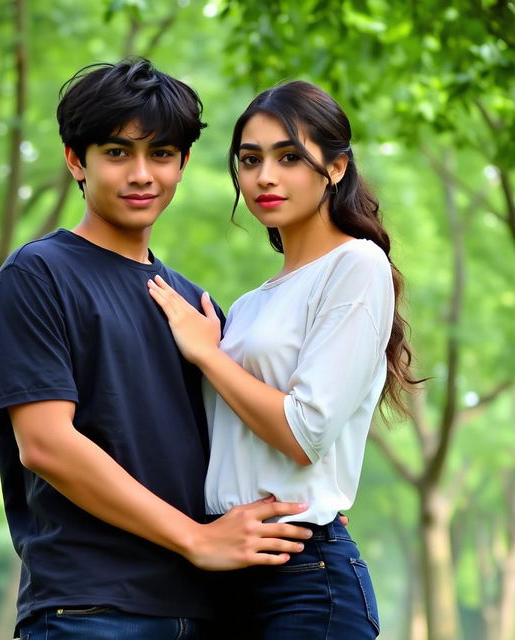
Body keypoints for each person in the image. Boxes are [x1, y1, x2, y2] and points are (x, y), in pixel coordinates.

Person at [0, 59, 316, 640]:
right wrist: (197, 539)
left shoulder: (194, 305)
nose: (142, 174)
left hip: (213, 611)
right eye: (117, 152)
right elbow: (45, 444)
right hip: (93, 610)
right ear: (74, 160)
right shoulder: (38, 275)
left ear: (183, 163)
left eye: (161, 154)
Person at [148, 80, 418, 639]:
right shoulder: (249, 306)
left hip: (304, 581)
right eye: (250, 160)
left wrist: (205, 353)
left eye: (289, 157)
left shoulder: (357, 265)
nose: (264, 177)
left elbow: (304, 432)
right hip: (226, 573)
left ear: (336, 168)